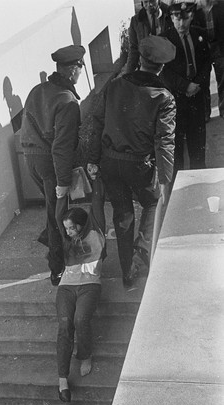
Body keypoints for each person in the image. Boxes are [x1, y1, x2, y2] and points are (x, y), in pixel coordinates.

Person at [87, 35, 176, 287]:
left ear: (141, 59)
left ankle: (128, 274)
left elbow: (96, 121)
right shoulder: (164, 97)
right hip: (138, 165)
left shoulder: (114, 85)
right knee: (152, 203)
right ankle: (141, 255)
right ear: (161, 66)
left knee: (123, 215)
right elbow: (165, 141)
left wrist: (93, 159)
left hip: (109, 162)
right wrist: (165, 180)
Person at [20, 45, 85, 286]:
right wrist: (63, 182)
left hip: (31, 159)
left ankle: (54, 245)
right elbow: (61, 148)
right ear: (72, 70)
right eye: (80, 68)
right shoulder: (68, 101)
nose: (80, 73)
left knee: (52, 209)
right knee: (58, 215)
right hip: (50, 163)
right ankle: (57, 268)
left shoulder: (38, 89)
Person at [55, 169, 106, 402]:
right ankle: (62, 377)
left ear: (82, 225)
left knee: (80, 319)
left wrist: (96, 180)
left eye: (72, 228)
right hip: (67, 287)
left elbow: (97, 204)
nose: (68, 232)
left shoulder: (96, 233)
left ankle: (85, 355)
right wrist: (60, 193)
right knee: (65, 323)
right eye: (66, 228)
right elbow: (58, 218)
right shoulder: (67, 240)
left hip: (89, 286)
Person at [160, 0, 211, 175]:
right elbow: (163, 71)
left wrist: (197, 84)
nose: (182, 24)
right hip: (176, 101)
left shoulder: (199, 35)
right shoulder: (164, 40)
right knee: (177, 152)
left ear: (192, 16)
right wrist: (185, 86)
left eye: (186, 18)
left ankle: (199, 183)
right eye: (177, 19)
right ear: (172, 19)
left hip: (196, 98)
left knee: (198, 147)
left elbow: (206, 63)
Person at [193, 0, 224, 121]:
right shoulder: (195, 10)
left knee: (222, 79)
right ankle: (205, 112)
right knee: (203, 81)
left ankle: (223, 109)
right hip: (203, 50)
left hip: (220, 48)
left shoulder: (221, 6)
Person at [125, 0, 172, 74]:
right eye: (146, 2)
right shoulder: (136, 21)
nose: (149, 4)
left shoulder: (170, 16)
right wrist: (127, 75)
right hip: (147, 70)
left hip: (167, 69)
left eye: (152, 1)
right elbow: (134, 49)